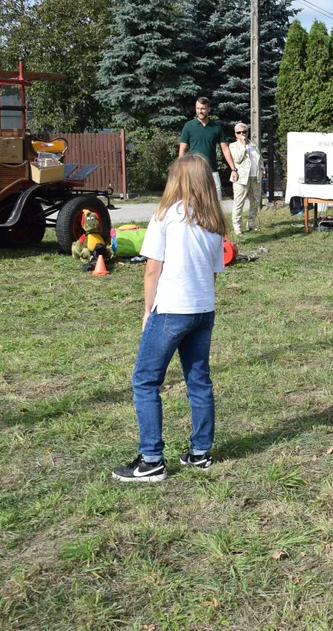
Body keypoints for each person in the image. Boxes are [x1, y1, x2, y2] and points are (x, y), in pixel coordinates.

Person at [113, 154, 227, 482]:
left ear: (177, 181)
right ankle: (200, 453)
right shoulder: (214, 222)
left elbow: (152, 270)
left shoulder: (165, 216)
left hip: (171, 309)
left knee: (145, 380)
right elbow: (214, 272)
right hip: (203, 310)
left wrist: (148, 311)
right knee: (198, 380)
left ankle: (151, 460)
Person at [179, 97, 238, 199]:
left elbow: (225, 149)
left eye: (202, 108)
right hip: (194, 171)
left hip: (212, 171)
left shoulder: (216, 127)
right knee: (194, 202)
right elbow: (182, 150)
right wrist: (180, 168)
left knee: (216, 200)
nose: (200, 111)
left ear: (208, 109)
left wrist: (233, 169)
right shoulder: (188, 126)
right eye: (198, 108)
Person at [228, 122, 261, 235]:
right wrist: (242, 146)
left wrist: (261, 171)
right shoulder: (233, 146)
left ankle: (251, 223)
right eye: (239, 132)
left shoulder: (253, 145)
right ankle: (237, 227)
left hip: (254, 177)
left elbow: (258, 159)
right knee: (239, 202)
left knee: (255, 201)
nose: (242, 134)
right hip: (241, 178)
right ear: (235, 134)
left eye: (244, 132)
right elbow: (237, 159)